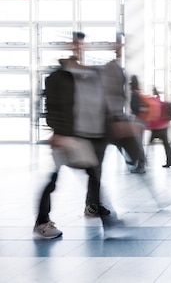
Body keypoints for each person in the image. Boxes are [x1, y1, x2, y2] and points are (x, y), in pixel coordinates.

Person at [34, 31, 112, 239]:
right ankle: (42, 221)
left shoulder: (84, 75)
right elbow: (51, 106)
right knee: (55, 179)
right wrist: (59, 132)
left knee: (91, 174)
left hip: (81, 135)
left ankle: (106, 219)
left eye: (81, 45)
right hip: (65, 136)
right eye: (76, 45)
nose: (79, 49)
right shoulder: (58, 77)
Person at [102, 34, 146, 174]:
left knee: (131, 144)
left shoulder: (115, 70)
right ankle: (137, 161)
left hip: (121, 119)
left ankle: (137, 162)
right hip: (120, 119)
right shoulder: (114, 69)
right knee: (131, 143)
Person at [147, 86, 171, 168]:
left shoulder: (153, 102)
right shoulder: (161, 103)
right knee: (167, 146)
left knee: (148, 145)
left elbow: (152, 116)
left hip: (156, 128)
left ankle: (143, 161)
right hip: (164, 127)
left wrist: (148, 126)